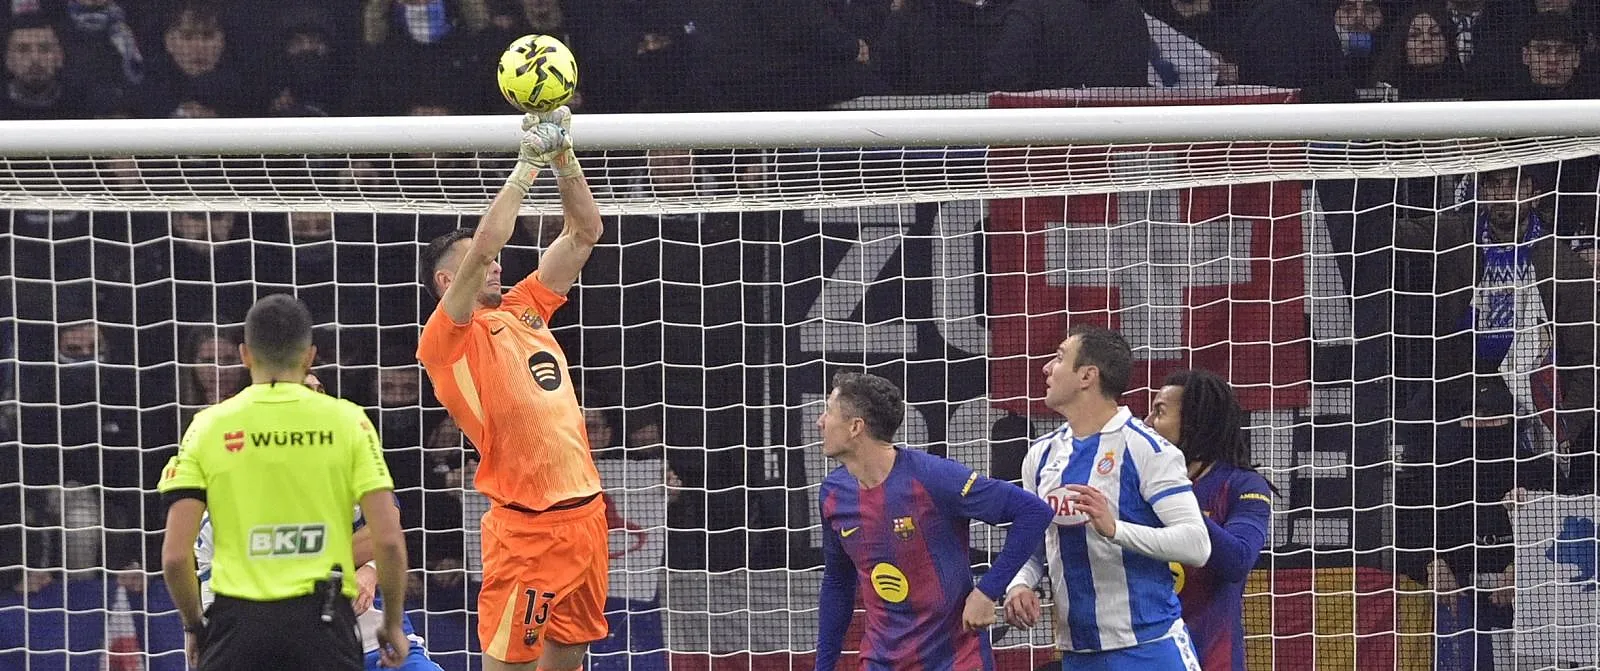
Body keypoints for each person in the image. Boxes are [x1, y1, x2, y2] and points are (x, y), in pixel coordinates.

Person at [415, 106, 607, 671]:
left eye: (499, 260)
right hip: (527, 532)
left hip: (586, 517)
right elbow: (481, 249)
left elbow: (584, 233)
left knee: (568, 661)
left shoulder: (525, 306)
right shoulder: (447, 341)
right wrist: (524, 167)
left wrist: (563, 157)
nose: (496, 266)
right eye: (482, 263)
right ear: (448, 282)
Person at [157, 294, 409, 670]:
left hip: (236, 625)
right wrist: (391, 623)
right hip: (323, 622)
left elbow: (176, 557)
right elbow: (389, 539)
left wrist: (194, 626)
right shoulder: (349, 421)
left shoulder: (208, 426)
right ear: (309, 355)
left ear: (245, 355)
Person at [192, 372, 444, 671]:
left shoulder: (350, 459)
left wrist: (371, 571)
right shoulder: (230, 498)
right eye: (305, 391)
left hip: (377, 641)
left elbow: (388, 532)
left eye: (319, 389)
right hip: (299, 650)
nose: (315, 398)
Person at [1003, 324, 1211, 670]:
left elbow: (1196, 545)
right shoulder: (1040, 456)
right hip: (1078, 655)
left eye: (1058, 358)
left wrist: (1115, 529)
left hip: (1149, 648)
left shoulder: (1147, 449)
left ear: (1087, 376)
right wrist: (1019, 584)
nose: (1046, 368)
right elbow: (1034, 543)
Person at [814, 371, 1054, 671]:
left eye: (828, 411)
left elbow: (1034, 513)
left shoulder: (932, 477)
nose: (820, 422)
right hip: (881, 662)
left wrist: (988, 591)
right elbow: (838, 582)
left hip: (955, 661)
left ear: (855, 427)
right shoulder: (834, 494)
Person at [1144, 369, 1273, 671]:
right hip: (1143, 654)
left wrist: (1175, 500)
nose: (1147, 423)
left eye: (1159, 413)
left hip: (1210, 657)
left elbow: (1237, 560)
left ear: (1196, 422)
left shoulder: (1243, 485)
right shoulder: (1137, 484)